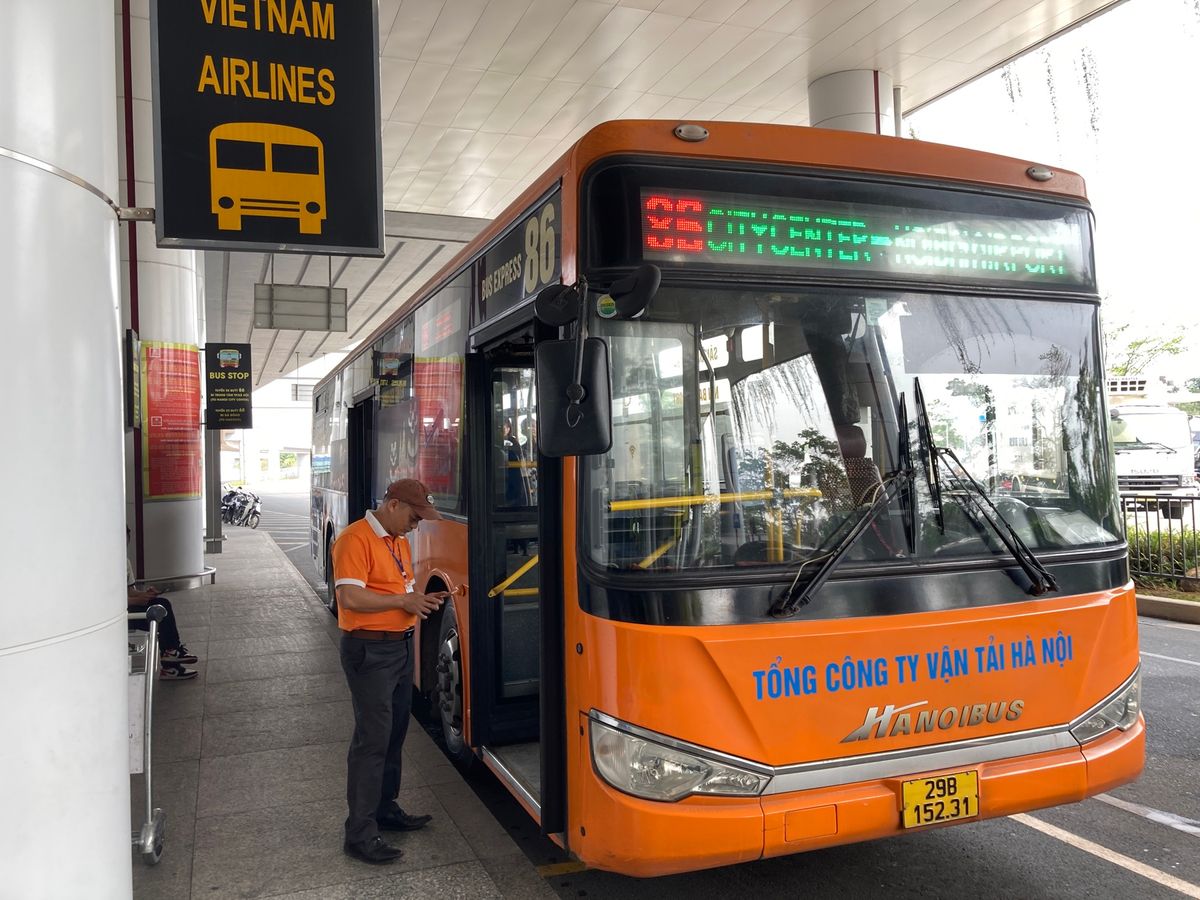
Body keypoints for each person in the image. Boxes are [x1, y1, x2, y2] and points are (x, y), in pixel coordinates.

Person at [331, 478, 449, 865]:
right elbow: (349, 596)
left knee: (395, 731)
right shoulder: (355, 539)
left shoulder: (397, 539)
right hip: (369, 650)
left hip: (398, 646)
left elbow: (400, 589)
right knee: (372, 738)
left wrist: (420, 601)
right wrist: (403, 599)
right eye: (414, 517)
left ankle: (385, 808)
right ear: (393, 504)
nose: (416, 525)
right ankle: (360, 834)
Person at [126, 528, 198, 681]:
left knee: (162, 603)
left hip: (129, 607)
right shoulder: (102, 566)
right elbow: (109, 601)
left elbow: (130, 591)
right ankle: (171, 659)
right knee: (160, 610)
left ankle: (171, 656)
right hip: (121, 615)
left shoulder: (124, 562)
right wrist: (136, 600)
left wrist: (145, 594)